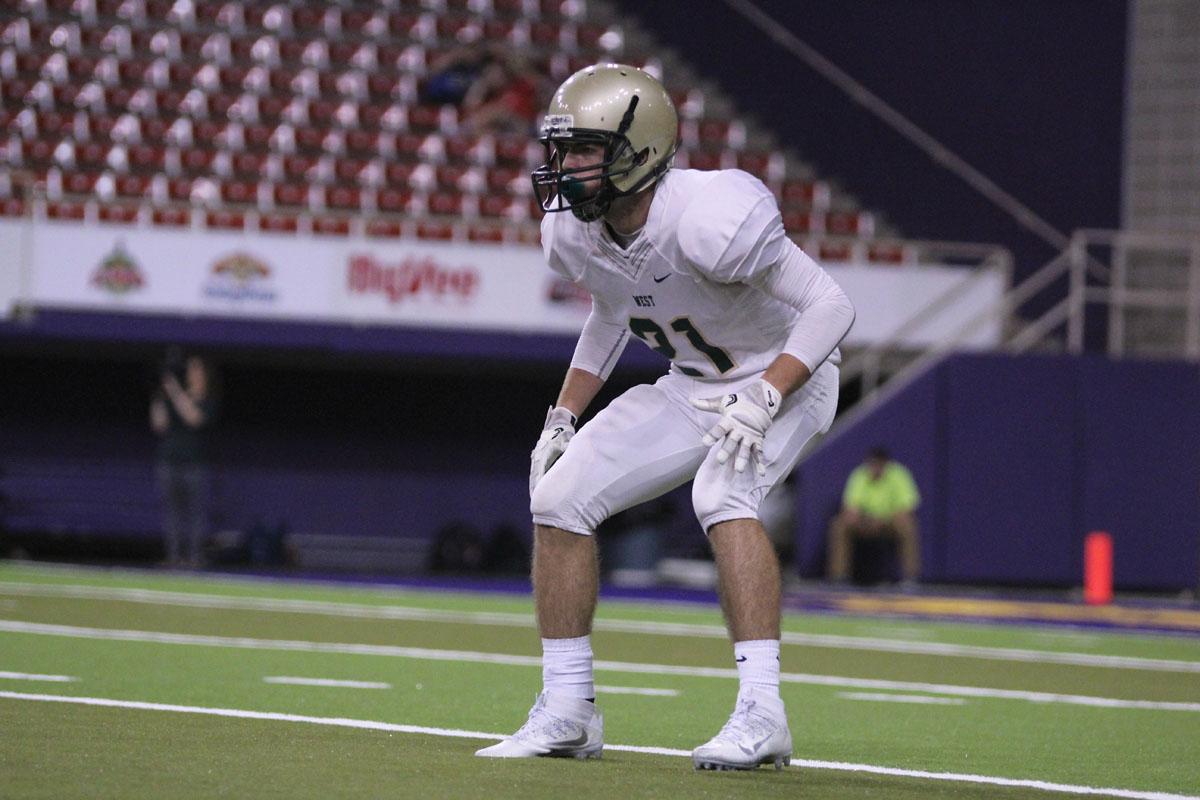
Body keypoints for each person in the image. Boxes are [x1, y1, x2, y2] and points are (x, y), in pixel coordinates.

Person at [475, 65, 855, 771]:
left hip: (787, 373)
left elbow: (832, 307)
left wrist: (768, 393)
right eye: (560, 150)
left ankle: (763, 713)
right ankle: (568, 710)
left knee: (721, 494)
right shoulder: (576, 230)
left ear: (638, 149)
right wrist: (562, 414)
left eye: (582, 150)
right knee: (557, 500)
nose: (563, 168)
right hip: (693, 384)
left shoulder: (711, 213)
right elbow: (610, 311)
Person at [150, 347, 216, 568]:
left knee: (196, 512)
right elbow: (159, 425)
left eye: (197, 370)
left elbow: (193, 418)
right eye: (190, 369)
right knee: (172, 513)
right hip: (169, 460)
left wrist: (175, 391)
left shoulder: (209, 399)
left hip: (195, 463)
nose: (192, 373)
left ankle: (194, 557)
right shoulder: (175, 396)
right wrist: (160, 394)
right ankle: (173, 556)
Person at [826, 446, 921, 585]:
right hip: (865, 522)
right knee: (839, 524)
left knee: (908, 525)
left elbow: (906, 509)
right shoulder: (860, 474)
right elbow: (851, 509)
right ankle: (838, 577)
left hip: (889, 523)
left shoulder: (899, 475)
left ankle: (910, 578)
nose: (875, 468)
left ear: (886, 464)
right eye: (872, 464)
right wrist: (863, 520)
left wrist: (883, 520)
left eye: (879, 465)